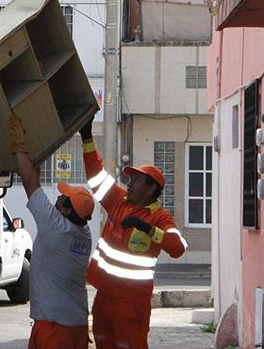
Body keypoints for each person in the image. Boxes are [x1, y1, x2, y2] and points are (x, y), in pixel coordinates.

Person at [79, 118, 188, 349]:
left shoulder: (160, 219)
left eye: (137, 180)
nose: (129, 183)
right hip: (104, 297)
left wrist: (147, 229)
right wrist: (87, 138)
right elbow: (95, 175)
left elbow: (178, 247)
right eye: (130, 179)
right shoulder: (118, 200)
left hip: (132, 304)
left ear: (151, 190)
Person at [8, 114, 94, 349]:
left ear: (66, 211)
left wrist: (19, 143)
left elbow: (29, 180)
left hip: (55, 328)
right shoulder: (83, 234)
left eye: (62, 199)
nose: (56, 200)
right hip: (74, 326)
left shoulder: (55, 226)